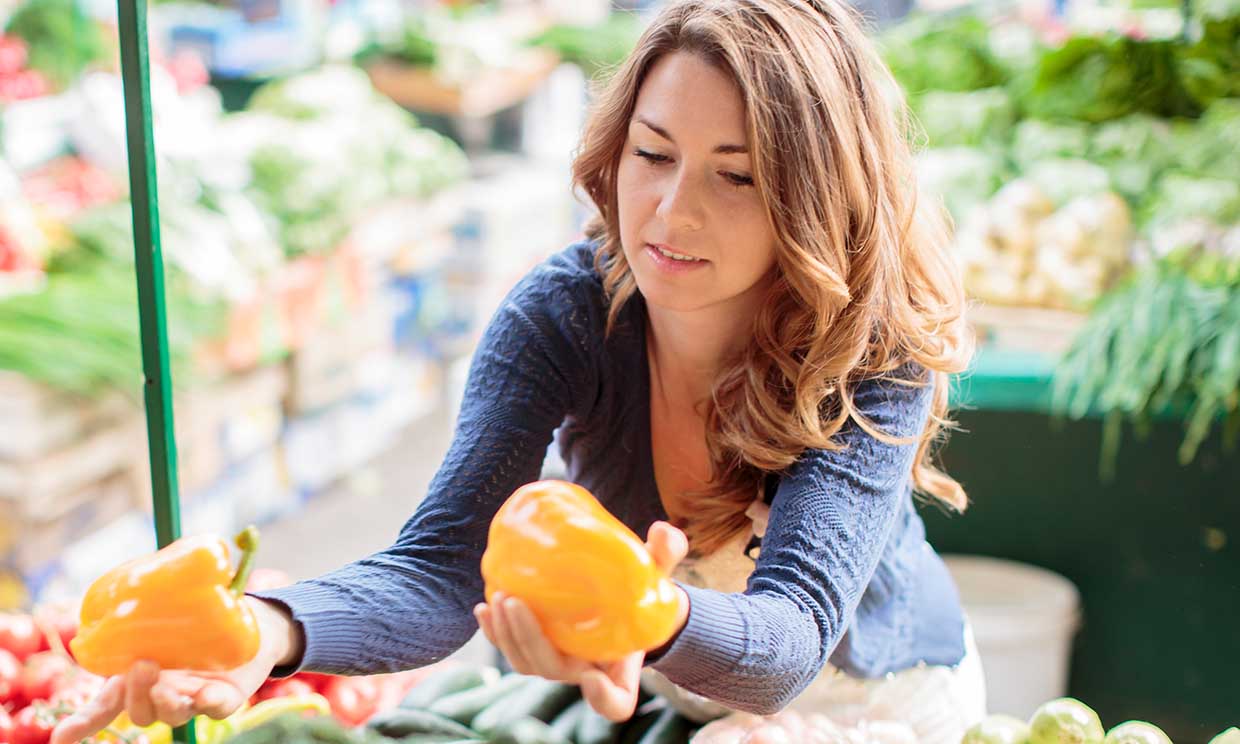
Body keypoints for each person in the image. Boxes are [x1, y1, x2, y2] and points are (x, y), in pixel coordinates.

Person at [53, 1, 985, 742]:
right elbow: (437, 573)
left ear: (814, 198)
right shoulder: (567, 314)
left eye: (734, 177)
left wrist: (634, 611)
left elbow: (787, 644)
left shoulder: (870, 349)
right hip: (691, 704)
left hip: (880, 705)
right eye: (652, 154)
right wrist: (262, 630)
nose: (669, 210)